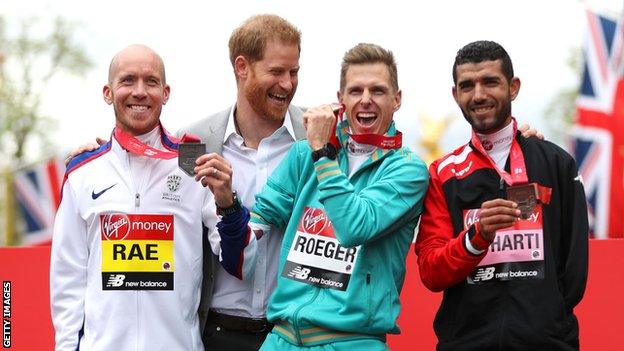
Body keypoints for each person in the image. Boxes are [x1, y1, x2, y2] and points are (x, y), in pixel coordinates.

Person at [203, 43, 429, 351]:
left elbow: (353, 227)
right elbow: (255, 230)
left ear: (397, 99)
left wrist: (323, 153)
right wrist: (229, 206)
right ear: (340, 100)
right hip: (280, 339)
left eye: (377, 91)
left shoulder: (407, 169)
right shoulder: (302, 154)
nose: (365, 100)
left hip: (352, 341)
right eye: (355, 90)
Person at [414, 40, 589, 351]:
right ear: (456, 95)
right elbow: (431, 271)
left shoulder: (557, 163)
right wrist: (475, 237)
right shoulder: (443, 173)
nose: (479, 94)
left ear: (513, 87)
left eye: (490, 82)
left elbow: (573, 270)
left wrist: (546, 323)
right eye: (467, 85)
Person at [50, 44, 214, 351]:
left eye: (150, 82)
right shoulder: (82, 171)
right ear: (108, 92)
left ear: (165, 93)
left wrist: (230, 202)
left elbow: (240, 258)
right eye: (127, 80)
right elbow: (68, 277)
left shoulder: (194, 160)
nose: (139, 91)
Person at [177, 14, 307, 350]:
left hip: (296, 334)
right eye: (276, 71)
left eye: (294, 72)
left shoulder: (315, 137)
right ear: (242, 67)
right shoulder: (193, 142)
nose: (288, 84)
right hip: (218, 333)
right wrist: (99, 150)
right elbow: (153, 196)